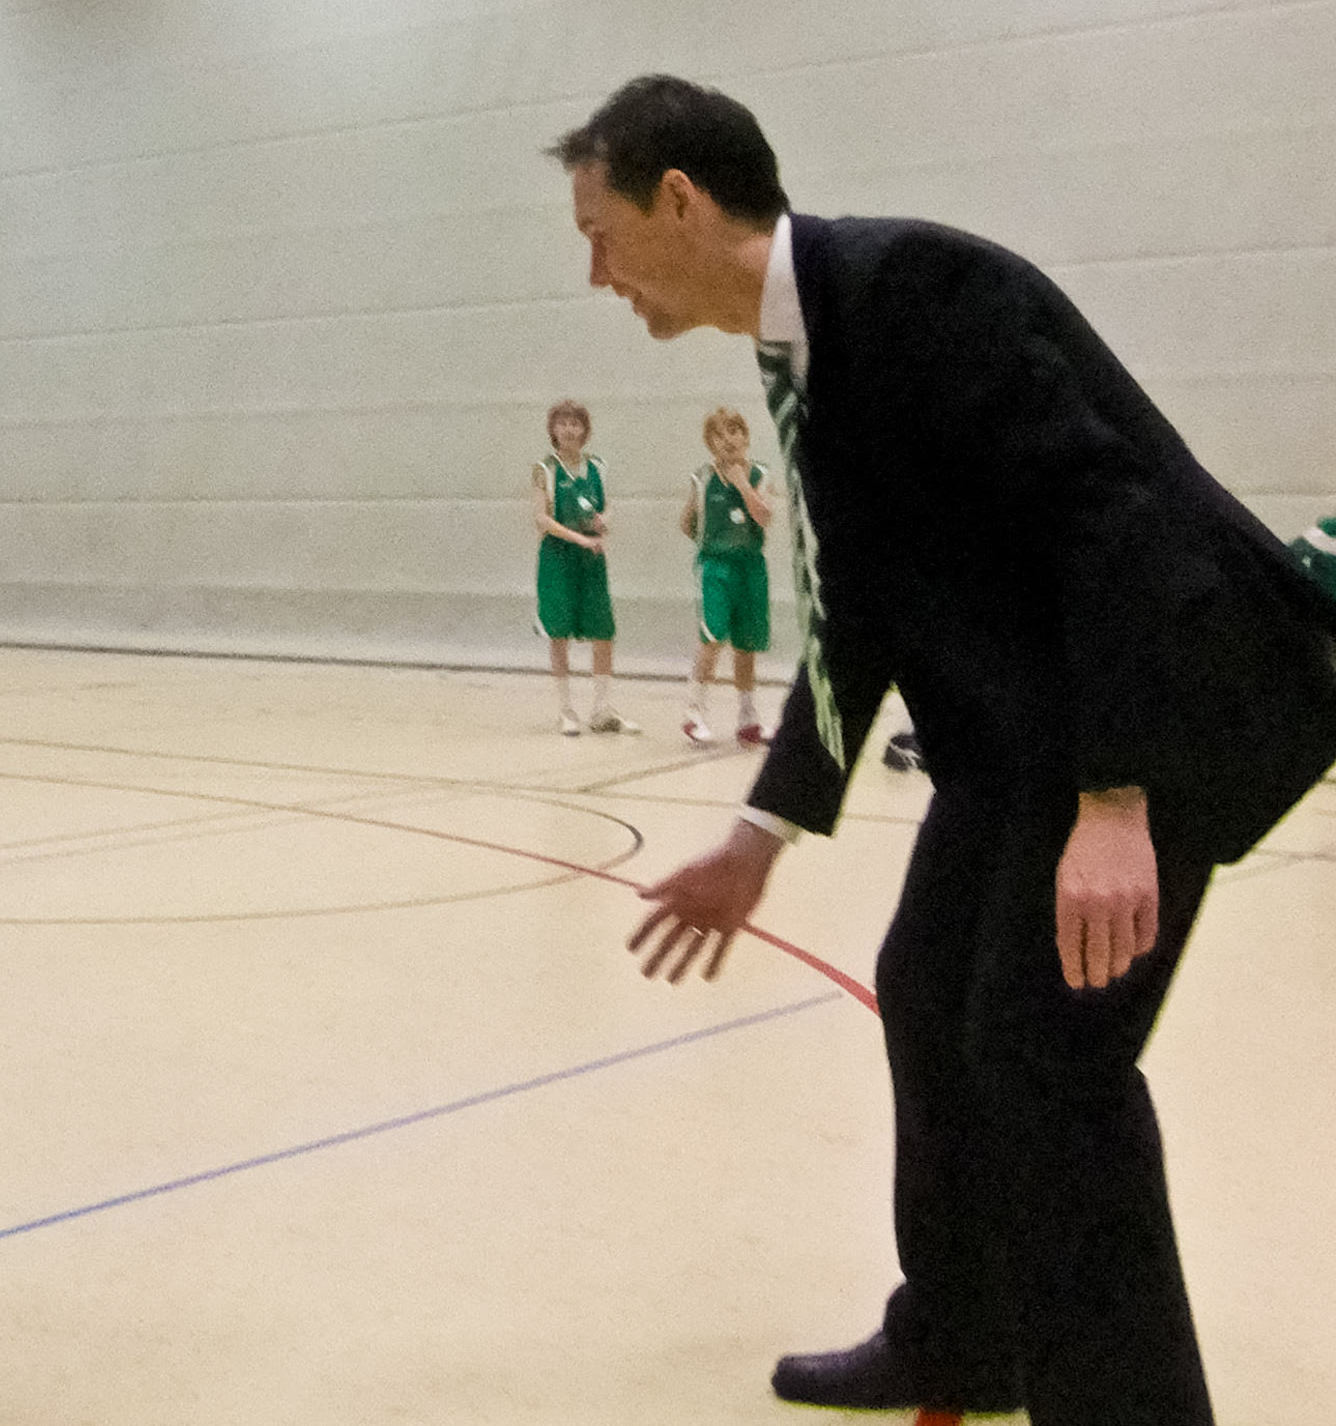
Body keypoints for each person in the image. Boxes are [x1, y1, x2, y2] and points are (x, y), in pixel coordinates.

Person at [551, 74, 1336, 1424]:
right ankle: (964, 1339)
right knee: (925, 988)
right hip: (1025, 738)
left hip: (1158, 706)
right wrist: (758, 836)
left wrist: (1114, 797)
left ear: (677, 201)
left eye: (599, 235)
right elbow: (859, 610)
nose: (595, 275)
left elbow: (1110, 518)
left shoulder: (915, 289)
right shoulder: (805, 347)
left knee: (1047, 1058)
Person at [533, 398, 638, 736]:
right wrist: (578, 538)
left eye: (575, 423)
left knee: (603, 631)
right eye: (562, 423)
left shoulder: (597, 467)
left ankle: (602, 709)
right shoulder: (545, 469)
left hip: (591, 558)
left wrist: (603, 521)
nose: (569, 429)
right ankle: (565, 710)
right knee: (559, 633)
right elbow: (541, 518)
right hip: (558, 558)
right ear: (553, 430)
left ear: (584, 430)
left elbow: (608, 508)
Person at [680, 406, 774, 746]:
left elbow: (764, 517)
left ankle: (748, 719)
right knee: (713, 637)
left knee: (746, 646)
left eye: (734, 431)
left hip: (751, 568)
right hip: (716, 568)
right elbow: (687, 523)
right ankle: (694, 713)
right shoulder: (702, 478)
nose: (728, 439)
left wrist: (741, 485)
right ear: (710, 443)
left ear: (745, 437)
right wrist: (712, 543)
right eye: (719, 435)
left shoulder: (760, 474)